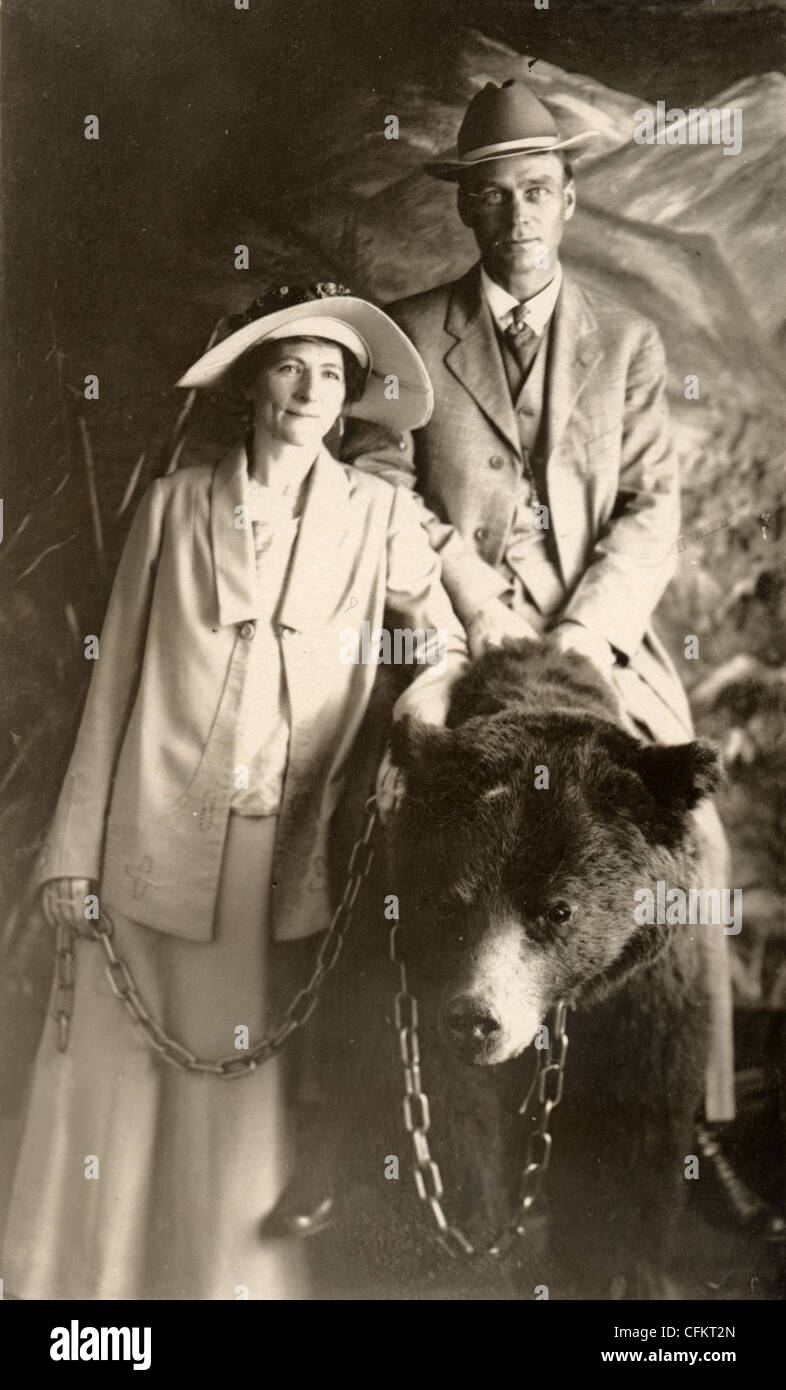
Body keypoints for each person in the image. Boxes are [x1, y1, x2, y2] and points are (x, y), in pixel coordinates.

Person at [342, 80, 784, 1240]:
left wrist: (586, 631)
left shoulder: (628, 342)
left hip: (601, 644)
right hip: (450, 632)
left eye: (536, 191)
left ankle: (691, 1123)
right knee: (356, 808)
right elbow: (378, 490)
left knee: (695, 842)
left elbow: (648, 505)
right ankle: (352, 1125)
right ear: (468, 209)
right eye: (494, 196)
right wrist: (468, 605)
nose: (518, 214)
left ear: (569, 199)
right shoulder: (406, 333)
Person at [2, 282, 468, 1300]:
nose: (309, 389)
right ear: (253, 384)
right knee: (110, 1080)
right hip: (145, 832)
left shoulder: (378, 515)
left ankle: (222, 1291)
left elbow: (444, 646)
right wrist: (73, 853)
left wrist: (419, 716)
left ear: (348, 403)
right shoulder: (175, 505)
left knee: (229, 1080)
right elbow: (114, 685)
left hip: (271, 844)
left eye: (332, 375)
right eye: (290, 367)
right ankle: (78, 1293)